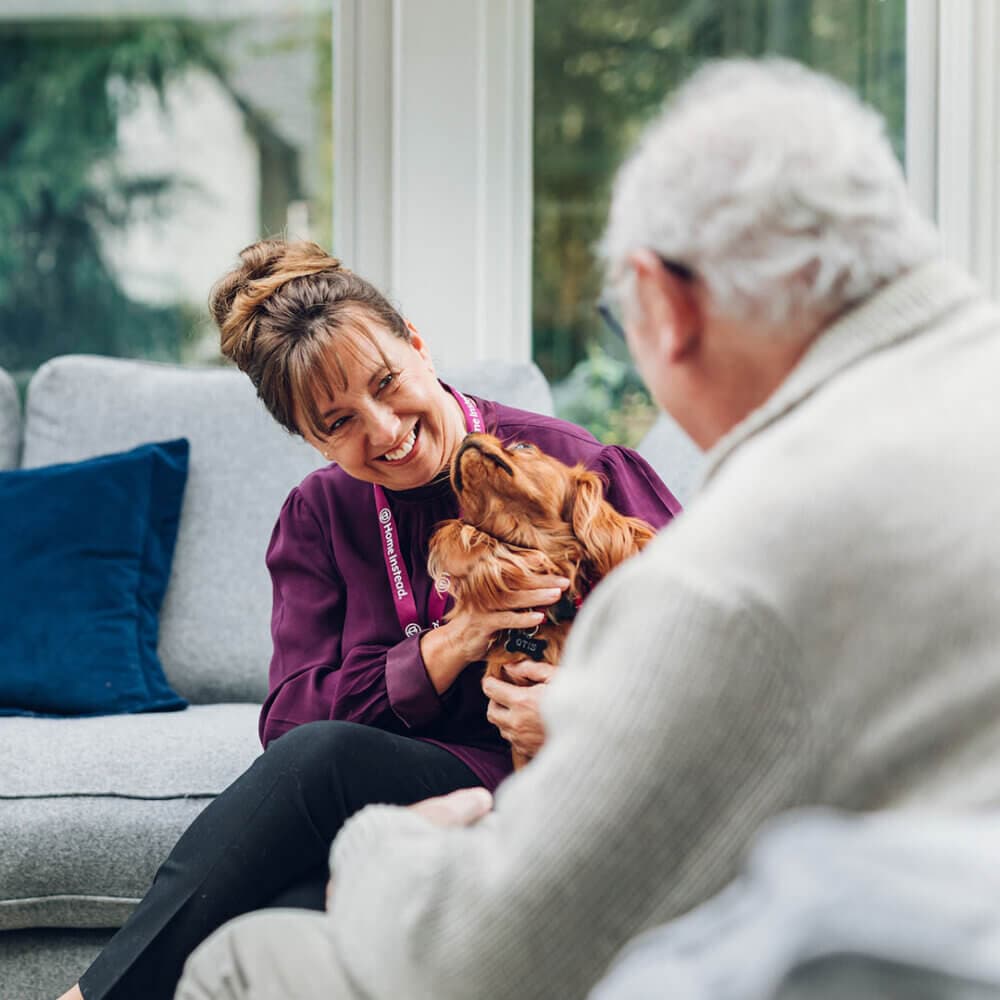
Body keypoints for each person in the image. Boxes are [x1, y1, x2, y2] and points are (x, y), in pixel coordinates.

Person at [175, 57, 1000, 1000]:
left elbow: (496, 952)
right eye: (336, 424)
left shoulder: (739, 564)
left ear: (667, 305)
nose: (384, 431)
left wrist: (378, 847)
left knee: (238, 961)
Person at [56, 241, 680, 1000]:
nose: (384, 430)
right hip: (398, 787)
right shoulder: (321, 515)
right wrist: (450, 643)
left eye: (388, 384)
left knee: (318, 786)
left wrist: (583, 717)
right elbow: (288, 724)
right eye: (338, 422)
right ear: (308, 439)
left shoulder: (572, 465)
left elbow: (706, 654)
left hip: (550, 777)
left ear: (418, 344)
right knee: (280, 913)